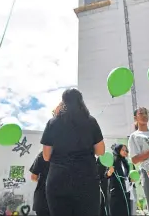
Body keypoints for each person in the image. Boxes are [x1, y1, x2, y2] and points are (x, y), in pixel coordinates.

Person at [40, 88, 105, 216]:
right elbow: (101, 151)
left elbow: (46, 156)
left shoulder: (53, 122)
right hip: (86, 179)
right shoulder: (90, 121)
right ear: (81, 101)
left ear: (63, 101)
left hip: (58, 180)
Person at [107, 144, 134, 216]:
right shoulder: (112, 161)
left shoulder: (126, 163)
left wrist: (131, 180)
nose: (125, 152)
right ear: (118, 150)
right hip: (116, 193)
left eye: (126, 150)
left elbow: (126, 177)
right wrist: (109, 172)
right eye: (123, 150)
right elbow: (106, 175)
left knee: (126, 212)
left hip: (125, 193)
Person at [30, 151, 50, 216]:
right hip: (64, 201)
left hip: (43, 199)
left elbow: (33, 177)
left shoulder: (43, 153)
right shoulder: (73, 154)